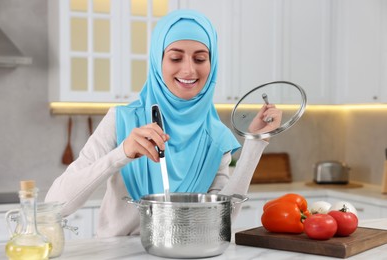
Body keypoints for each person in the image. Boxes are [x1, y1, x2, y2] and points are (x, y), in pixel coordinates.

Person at [45, 9, 282, 237]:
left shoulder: (216, 137)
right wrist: (122, 153)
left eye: (200, 58)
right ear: (158, 62)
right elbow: (54, 206)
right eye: (176, 57)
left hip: (182, 254)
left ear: (212, 63)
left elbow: (221, 221)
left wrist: (255, 144)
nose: (189, 70)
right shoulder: (122, 120)